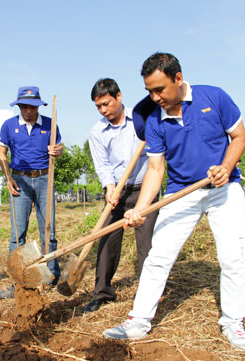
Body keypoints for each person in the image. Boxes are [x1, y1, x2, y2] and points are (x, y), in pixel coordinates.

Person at [102, 53, 245, 351]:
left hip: (224, 188)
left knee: (232, 257)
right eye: (149, 91)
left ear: (178, 79)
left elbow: (239, 137)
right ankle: (139, 320)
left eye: (160, 89)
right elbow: (156, 169)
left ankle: (233, 321)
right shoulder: (155, 120)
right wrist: (141, 208)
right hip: (181, 191)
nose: (155, 97)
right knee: (158, 255)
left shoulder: (215, 97)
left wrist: (225, 167)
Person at [83, 78, 158, 313]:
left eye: (106, 104)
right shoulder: (97, 131)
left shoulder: (141, 121)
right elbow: (102, 164)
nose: (103, 110)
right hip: (117, 192)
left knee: (147, 245)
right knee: (106, 242)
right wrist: (109, 187)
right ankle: (102, 293)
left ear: (119, 97)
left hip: (145, 189)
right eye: (98, 107)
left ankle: (149, 296)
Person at [0, 86, 63, 299]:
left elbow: (59, 147)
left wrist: (58, 150)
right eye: (24, 106)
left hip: (45, 179)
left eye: (32, 106)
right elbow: (2, 153)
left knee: (48, 229)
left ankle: (51, 276)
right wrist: (8, 177)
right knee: (17, 233)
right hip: (19, 180)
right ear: (19, 106)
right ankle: (18, 279)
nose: (28, 111)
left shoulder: (50, 124)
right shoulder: (10, 126)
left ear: (38, 106)